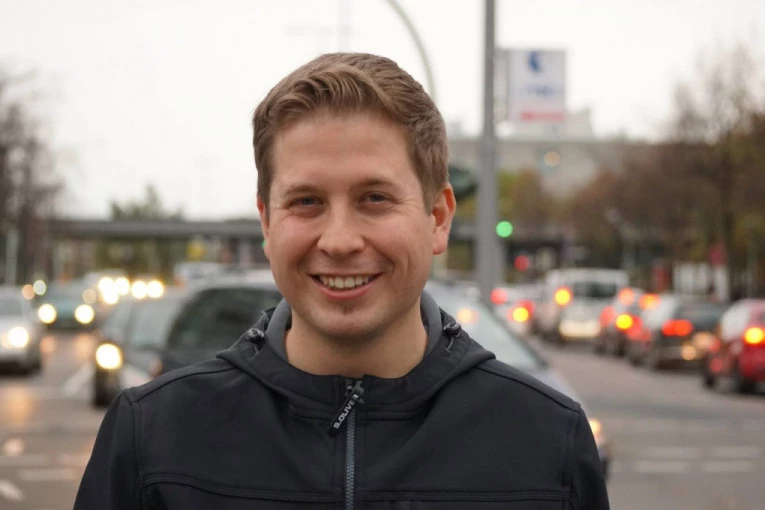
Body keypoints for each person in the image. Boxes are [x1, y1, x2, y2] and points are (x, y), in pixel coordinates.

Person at [75, 52, 609, 509]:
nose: (339, 240)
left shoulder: (548, 441)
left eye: (374, 198)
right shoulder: (153, 437)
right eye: (307, 201)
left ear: (438, 218)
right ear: (267, 223)